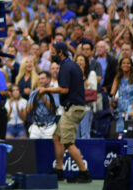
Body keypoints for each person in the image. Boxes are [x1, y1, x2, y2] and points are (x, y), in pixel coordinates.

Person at [41, 42, 92, 183]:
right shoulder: (72, 65)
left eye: (53, 52)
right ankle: (59, 170)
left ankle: (84, 173)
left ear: (60, 53)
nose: (51, 55)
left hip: (73, 108)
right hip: (74, 107)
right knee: (57, 136)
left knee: (68, 142)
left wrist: (46, 90)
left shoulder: (65, 67)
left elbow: (64, 89)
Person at [26, 71, 59, 139]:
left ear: (49, 80)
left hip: (49, 126)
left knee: (49, 145)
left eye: (42, 78)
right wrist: (38, 95)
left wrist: (43, 95)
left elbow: (53, 109)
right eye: (39, 79)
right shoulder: (34, 93)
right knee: (32, 145)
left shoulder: (54, 92)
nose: (40, 81)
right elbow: (28, 110)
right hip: (36, 126)